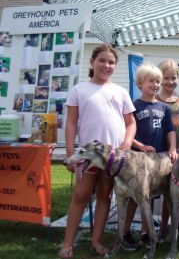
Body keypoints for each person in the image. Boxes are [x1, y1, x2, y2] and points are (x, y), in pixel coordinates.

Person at [58, 44, 136, 258]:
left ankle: (96, 241)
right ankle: (67, 244)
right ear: (92, 63)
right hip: (88, 157)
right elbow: (71, 123)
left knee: (104, 195)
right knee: (81, 196)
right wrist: (70, 153)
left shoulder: (120, 92)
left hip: (113, 159)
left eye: (111, 62)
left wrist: (127, 144)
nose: (107, 65)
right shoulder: (79, 90)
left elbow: (131, 123)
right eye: (102, 60)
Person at [121, 63, 178, 250]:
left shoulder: (164, 108)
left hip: (158, 161)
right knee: (133, 198)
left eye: (157, 81)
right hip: (137, 161)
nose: (155, 85)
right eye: (150, 81)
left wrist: (173, 148)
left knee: (150, 198)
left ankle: (146, 233)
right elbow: (127, 131)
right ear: (139, 83)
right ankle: (125, 232)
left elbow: (170, 131)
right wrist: (140, 146)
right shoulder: (133, 106)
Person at [156, 59, 179, 240]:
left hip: (175, 155)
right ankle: (149, 230)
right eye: (166, 78)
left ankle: (168, 228)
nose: (170, 81)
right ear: (160, 79)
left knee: (171, 194)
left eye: (174, 77)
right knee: (155, 192)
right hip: (156, 153)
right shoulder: (153, 99)